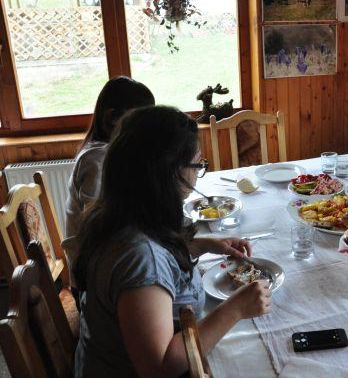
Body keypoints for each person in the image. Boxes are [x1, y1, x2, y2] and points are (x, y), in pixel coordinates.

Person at [73, 106, 272, 377]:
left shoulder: (121, 213)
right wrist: (235, 308)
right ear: (168, 172)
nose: (198, 172)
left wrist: (204, 244)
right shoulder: (140, 257)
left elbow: (154, 263)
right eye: (198, 164)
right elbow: (159, 367)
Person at [65, 76, 155, 241]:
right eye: (140, 120)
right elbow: (96, 227)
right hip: (93, 259)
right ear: (114, 118)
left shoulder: (112, 152)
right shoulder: (97, 161)